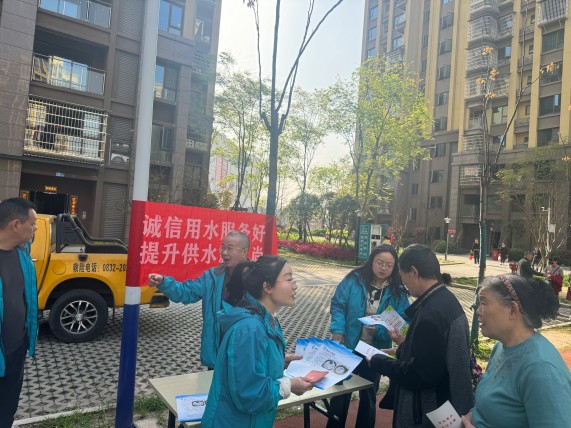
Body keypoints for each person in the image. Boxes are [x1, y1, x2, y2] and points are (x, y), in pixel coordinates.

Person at [201, 256, 313, 427]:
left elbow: (253, 363)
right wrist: (289, 385)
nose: (295, 285)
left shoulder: (265, 320)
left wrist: (280, 361)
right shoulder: (249, 329)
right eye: (289, 279)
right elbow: (250, 394)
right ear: (267, 287)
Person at [369, 245, 474, 427]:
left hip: (425, 412)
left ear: (414, 272)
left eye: (402, 276)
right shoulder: (446, 300)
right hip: (447, 404)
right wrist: (404, 346)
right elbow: (434, 357)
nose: (403, 283)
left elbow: (419, 374)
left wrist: (378, 361)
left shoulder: (430, 313)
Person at [462, 275, 571, 428]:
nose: (478, 311)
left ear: (512, 310)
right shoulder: (500, 347)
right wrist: (473, 415)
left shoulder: (541, 368)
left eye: (484, 302)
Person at [328, 245, 410, 427]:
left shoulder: (397, 291)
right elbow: (338, 304)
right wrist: (338, 330)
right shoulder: (354, 279)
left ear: (395, 267)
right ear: (372, 261)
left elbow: (403, 321)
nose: (383, 268)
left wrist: (380, 330)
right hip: (348, 346)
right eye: (380, 262)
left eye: (389, 265)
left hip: (375, 351)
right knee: (340, 392)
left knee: (369, 394)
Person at [148, 231, 249, 369]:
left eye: (229, 248)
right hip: (217, 353)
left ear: (244, 252)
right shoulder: (212, 277)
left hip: (246, 353)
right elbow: (186, 293)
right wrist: (164, 282)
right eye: (223, 247)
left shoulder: (256, 279)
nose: (224, 252)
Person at [0, 198, 39, 427]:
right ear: (15, 225)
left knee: (6, 413)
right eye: (32, 223)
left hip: (15, 352)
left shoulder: (22, 255)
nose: (35, 228)